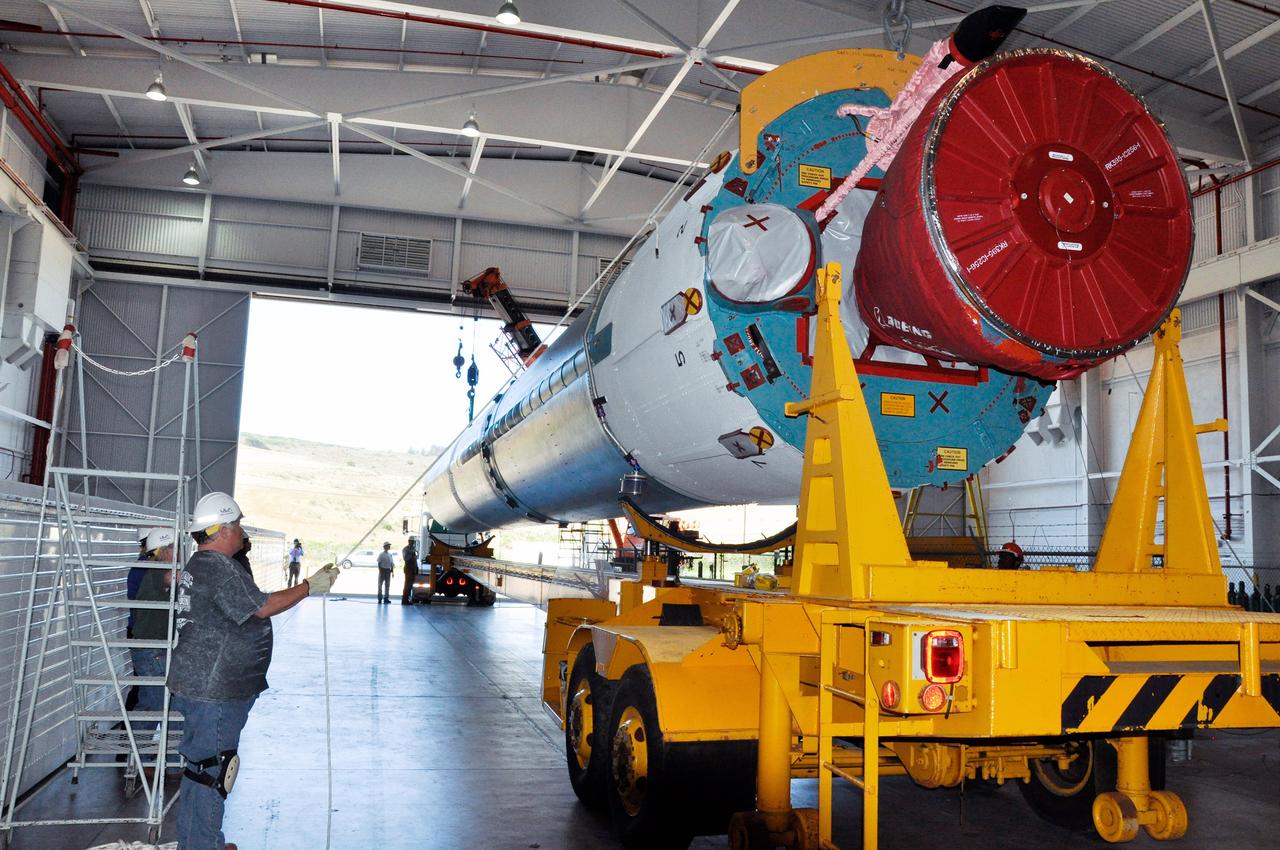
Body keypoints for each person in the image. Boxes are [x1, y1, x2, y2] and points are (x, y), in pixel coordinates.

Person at [168, 491, 338, 850]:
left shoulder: (204, 566)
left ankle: (198, 841)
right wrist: (309, 587)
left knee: (202, 767)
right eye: (239, 525)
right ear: (225, 529)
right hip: (214, 689)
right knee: (214, 769)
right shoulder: (216, 568)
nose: (242, 532)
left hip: (205, 684)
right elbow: (261, 608)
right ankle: (202, 846)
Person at [401, 536, 419, 605]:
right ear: (409, 541)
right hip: (408, 569)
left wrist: (416, 567)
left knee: (410, 586)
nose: (412, 542)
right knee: (407, 585)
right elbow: (406, 558)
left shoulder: (414, 549)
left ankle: (408, 599)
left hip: (413, 570)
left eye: (413, 541)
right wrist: (412, 553)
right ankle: (404, 600)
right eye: (411, 541)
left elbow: (415, 559)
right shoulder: (405, 549)